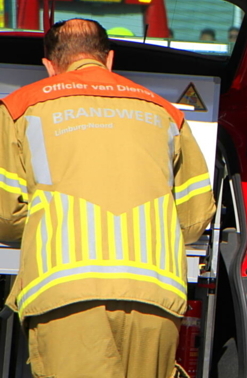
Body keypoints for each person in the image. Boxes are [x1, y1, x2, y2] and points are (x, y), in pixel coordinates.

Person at [0, 19, 216, 378]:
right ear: (109, 59)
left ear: (49, 66)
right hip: (155, 297)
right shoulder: (166, 112)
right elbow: (194, 219)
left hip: (66, 296)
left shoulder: (20, 108)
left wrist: (44, 223)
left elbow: (6, 215)